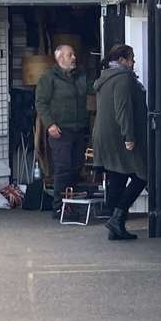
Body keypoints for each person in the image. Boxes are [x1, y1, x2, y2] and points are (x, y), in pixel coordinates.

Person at [92, 43, 147, 241]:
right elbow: (122, 109)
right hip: (118, 136)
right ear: (122, 60)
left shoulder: (105, 78)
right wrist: (129, 137)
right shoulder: (123, 78)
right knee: (142, 174)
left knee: (117, 176)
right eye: (131, 58)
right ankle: (117, 219)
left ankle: (116, 227)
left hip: (103, 135)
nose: (134, 62)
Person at [35, 43, 90, 205]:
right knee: (63, 167)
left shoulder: (80, 75)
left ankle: (71, 203)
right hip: (61, 129)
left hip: (79, 128)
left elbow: (93, 87)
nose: (74, 57)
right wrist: (50, 124)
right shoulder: (49, 78)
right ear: (60, 58)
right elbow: (41, 103)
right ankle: (59, 205)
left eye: (73, 54)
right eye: (70, 55)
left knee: (77, 167)